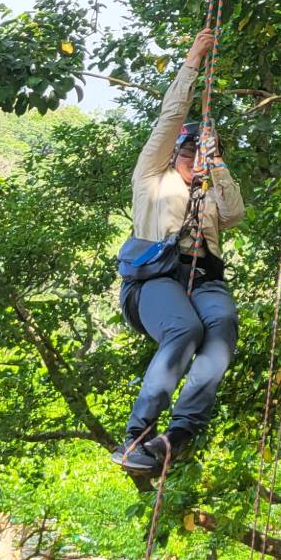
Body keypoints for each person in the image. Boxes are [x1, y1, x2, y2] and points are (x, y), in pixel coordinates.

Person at [111, 28, 244, 479]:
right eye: (187, 149)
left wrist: (218, 164)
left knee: (222, 328)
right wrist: (192, 62)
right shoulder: (152, 178)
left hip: (204, 278)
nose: (193, 156)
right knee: (184, 330)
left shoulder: (210, 195)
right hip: (154, 279)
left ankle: (179, 435)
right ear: (174, 154)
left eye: (200, 151)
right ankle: (138, 434)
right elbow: (169, 120)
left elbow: (236, 212)